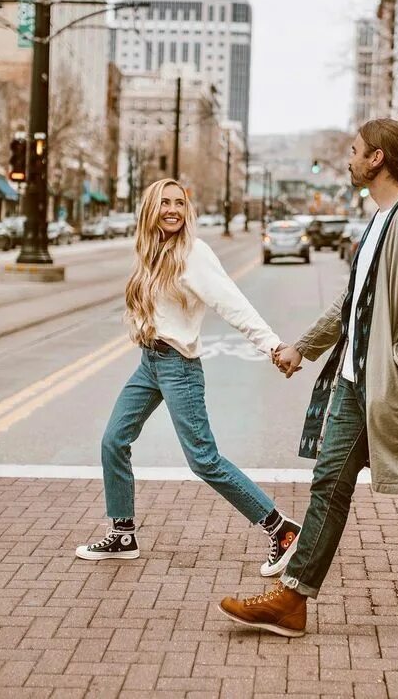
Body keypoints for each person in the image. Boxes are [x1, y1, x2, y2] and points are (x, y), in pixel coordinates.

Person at [218, 119, 398, 642]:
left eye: (355, 152)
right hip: (356, 388)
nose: (348, 160)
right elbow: (351, 304)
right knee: (329, 486)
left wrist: (396, 362)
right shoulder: (380, 219)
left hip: (393, 389)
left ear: (377, 159)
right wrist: (303, 348)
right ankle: (292, 599)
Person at [76, 178, 300, 576]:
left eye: (179, 203)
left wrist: (272, 345)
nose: (173, 210)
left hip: (179, 367)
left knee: (204, 460)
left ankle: (281, 530)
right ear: (151, 208)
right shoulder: (153, 249)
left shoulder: (194, 253)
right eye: (165, 202)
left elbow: (233, 304)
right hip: (150, 362)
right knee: (114, 441)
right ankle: (123, 532)